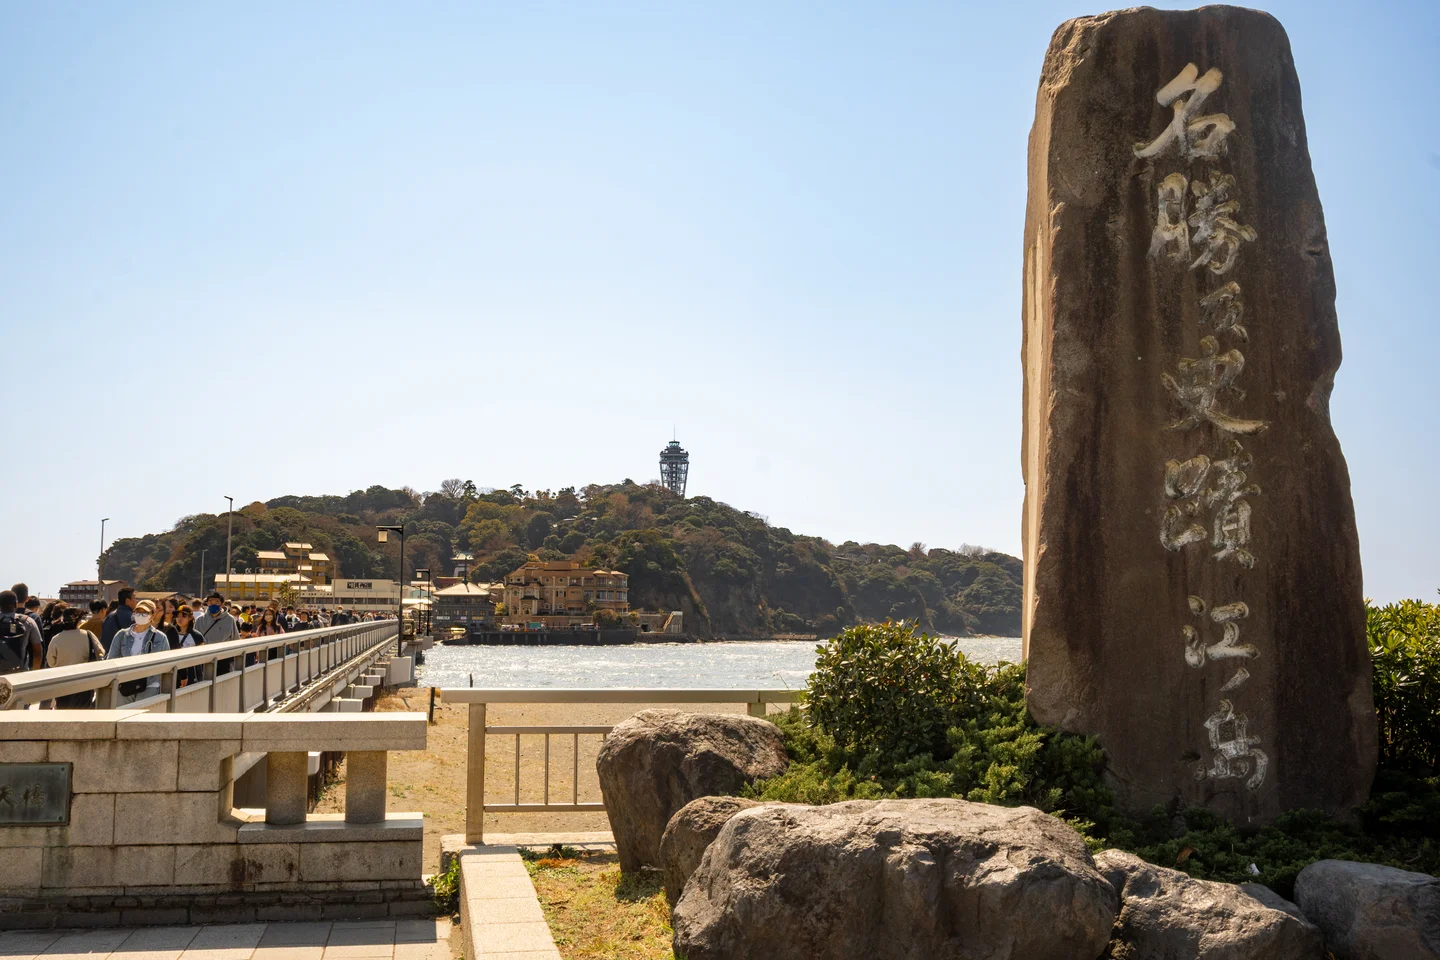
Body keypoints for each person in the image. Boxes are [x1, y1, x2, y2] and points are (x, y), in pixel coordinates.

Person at [105, 599, 168, 702]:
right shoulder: (122, 635)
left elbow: (167, 664)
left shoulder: (160, 637)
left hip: (150, 684)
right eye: (138, 612)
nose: (140, 615)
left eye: (145, 613)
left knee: (142, 716)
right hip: (125, 683)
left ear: (152, 615)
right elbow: (111, 660)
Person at [46, 607, 106, 707]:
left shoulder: (56, 639)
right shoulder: (88, 635)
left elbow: (51, 662)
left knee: (63, 713)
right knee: (82, 712)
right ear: (79, 621)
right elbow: (101, 652)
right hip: (84, 682)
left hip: (63, 683)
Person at [0, 589, 44, 676]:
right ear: (16, 604)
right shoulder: (27, 621)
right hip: (20, 674)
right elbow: (38, 653)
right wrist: (34, 675)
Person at [172, 604, 204, 685]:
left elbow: (202, 658)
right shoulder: (170, 633)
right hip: (174, 671)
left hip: (191, 674)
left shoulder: (197, 636)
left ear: (190, 618)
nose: (180, 619)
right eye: (177, 616)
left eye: (183, 616)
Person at [101, 587, 137, 652]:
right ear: (127, 601)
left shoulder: (109, 616)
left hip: (109, 655)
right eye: (134, 597)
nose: (136, 600)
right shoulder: (133, 617)